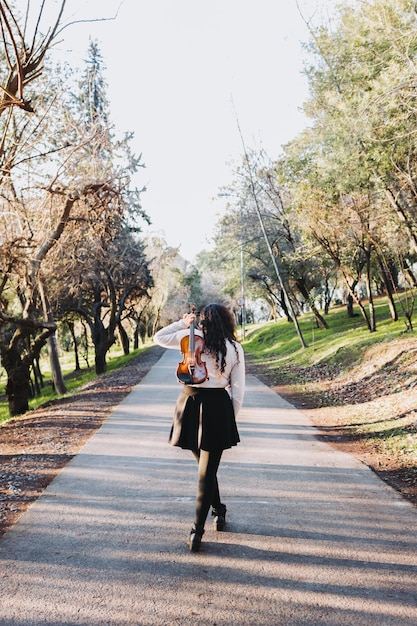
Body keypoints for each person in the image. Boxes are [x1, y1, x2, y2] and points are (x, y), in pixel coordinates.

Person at [154, 303, 245, 552]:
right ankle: (217, 510)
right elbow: (238, 391)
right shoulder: (234, 348)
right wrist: (230, 419)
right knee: (207, 470)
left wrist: (183, 324)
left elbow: (159, 337)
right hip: (218, 407)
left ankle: (198, 530)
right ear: (227, 322)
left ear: (201, 320)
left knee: (205, 470)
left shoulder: (190, 337)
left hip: (190, 404)